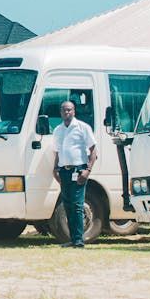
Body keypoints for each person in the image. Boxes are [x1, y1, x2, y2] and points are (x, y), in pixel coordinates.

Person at [52, 101, 97, 248]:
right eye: (64, 110)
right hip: (64, 171)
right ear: (60, 112)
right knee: (68, 205)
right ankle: (72, 239)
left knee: (78, 205)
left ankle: (79, 241)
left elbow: (93, 150)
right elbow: (57, 151)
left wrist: (87, 170)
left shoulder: (83, 128)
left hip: (79, 171)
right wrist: (55, 169)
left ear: (74, 111)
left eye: (69, 110)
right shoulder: (58, 130)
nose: (67, 113)